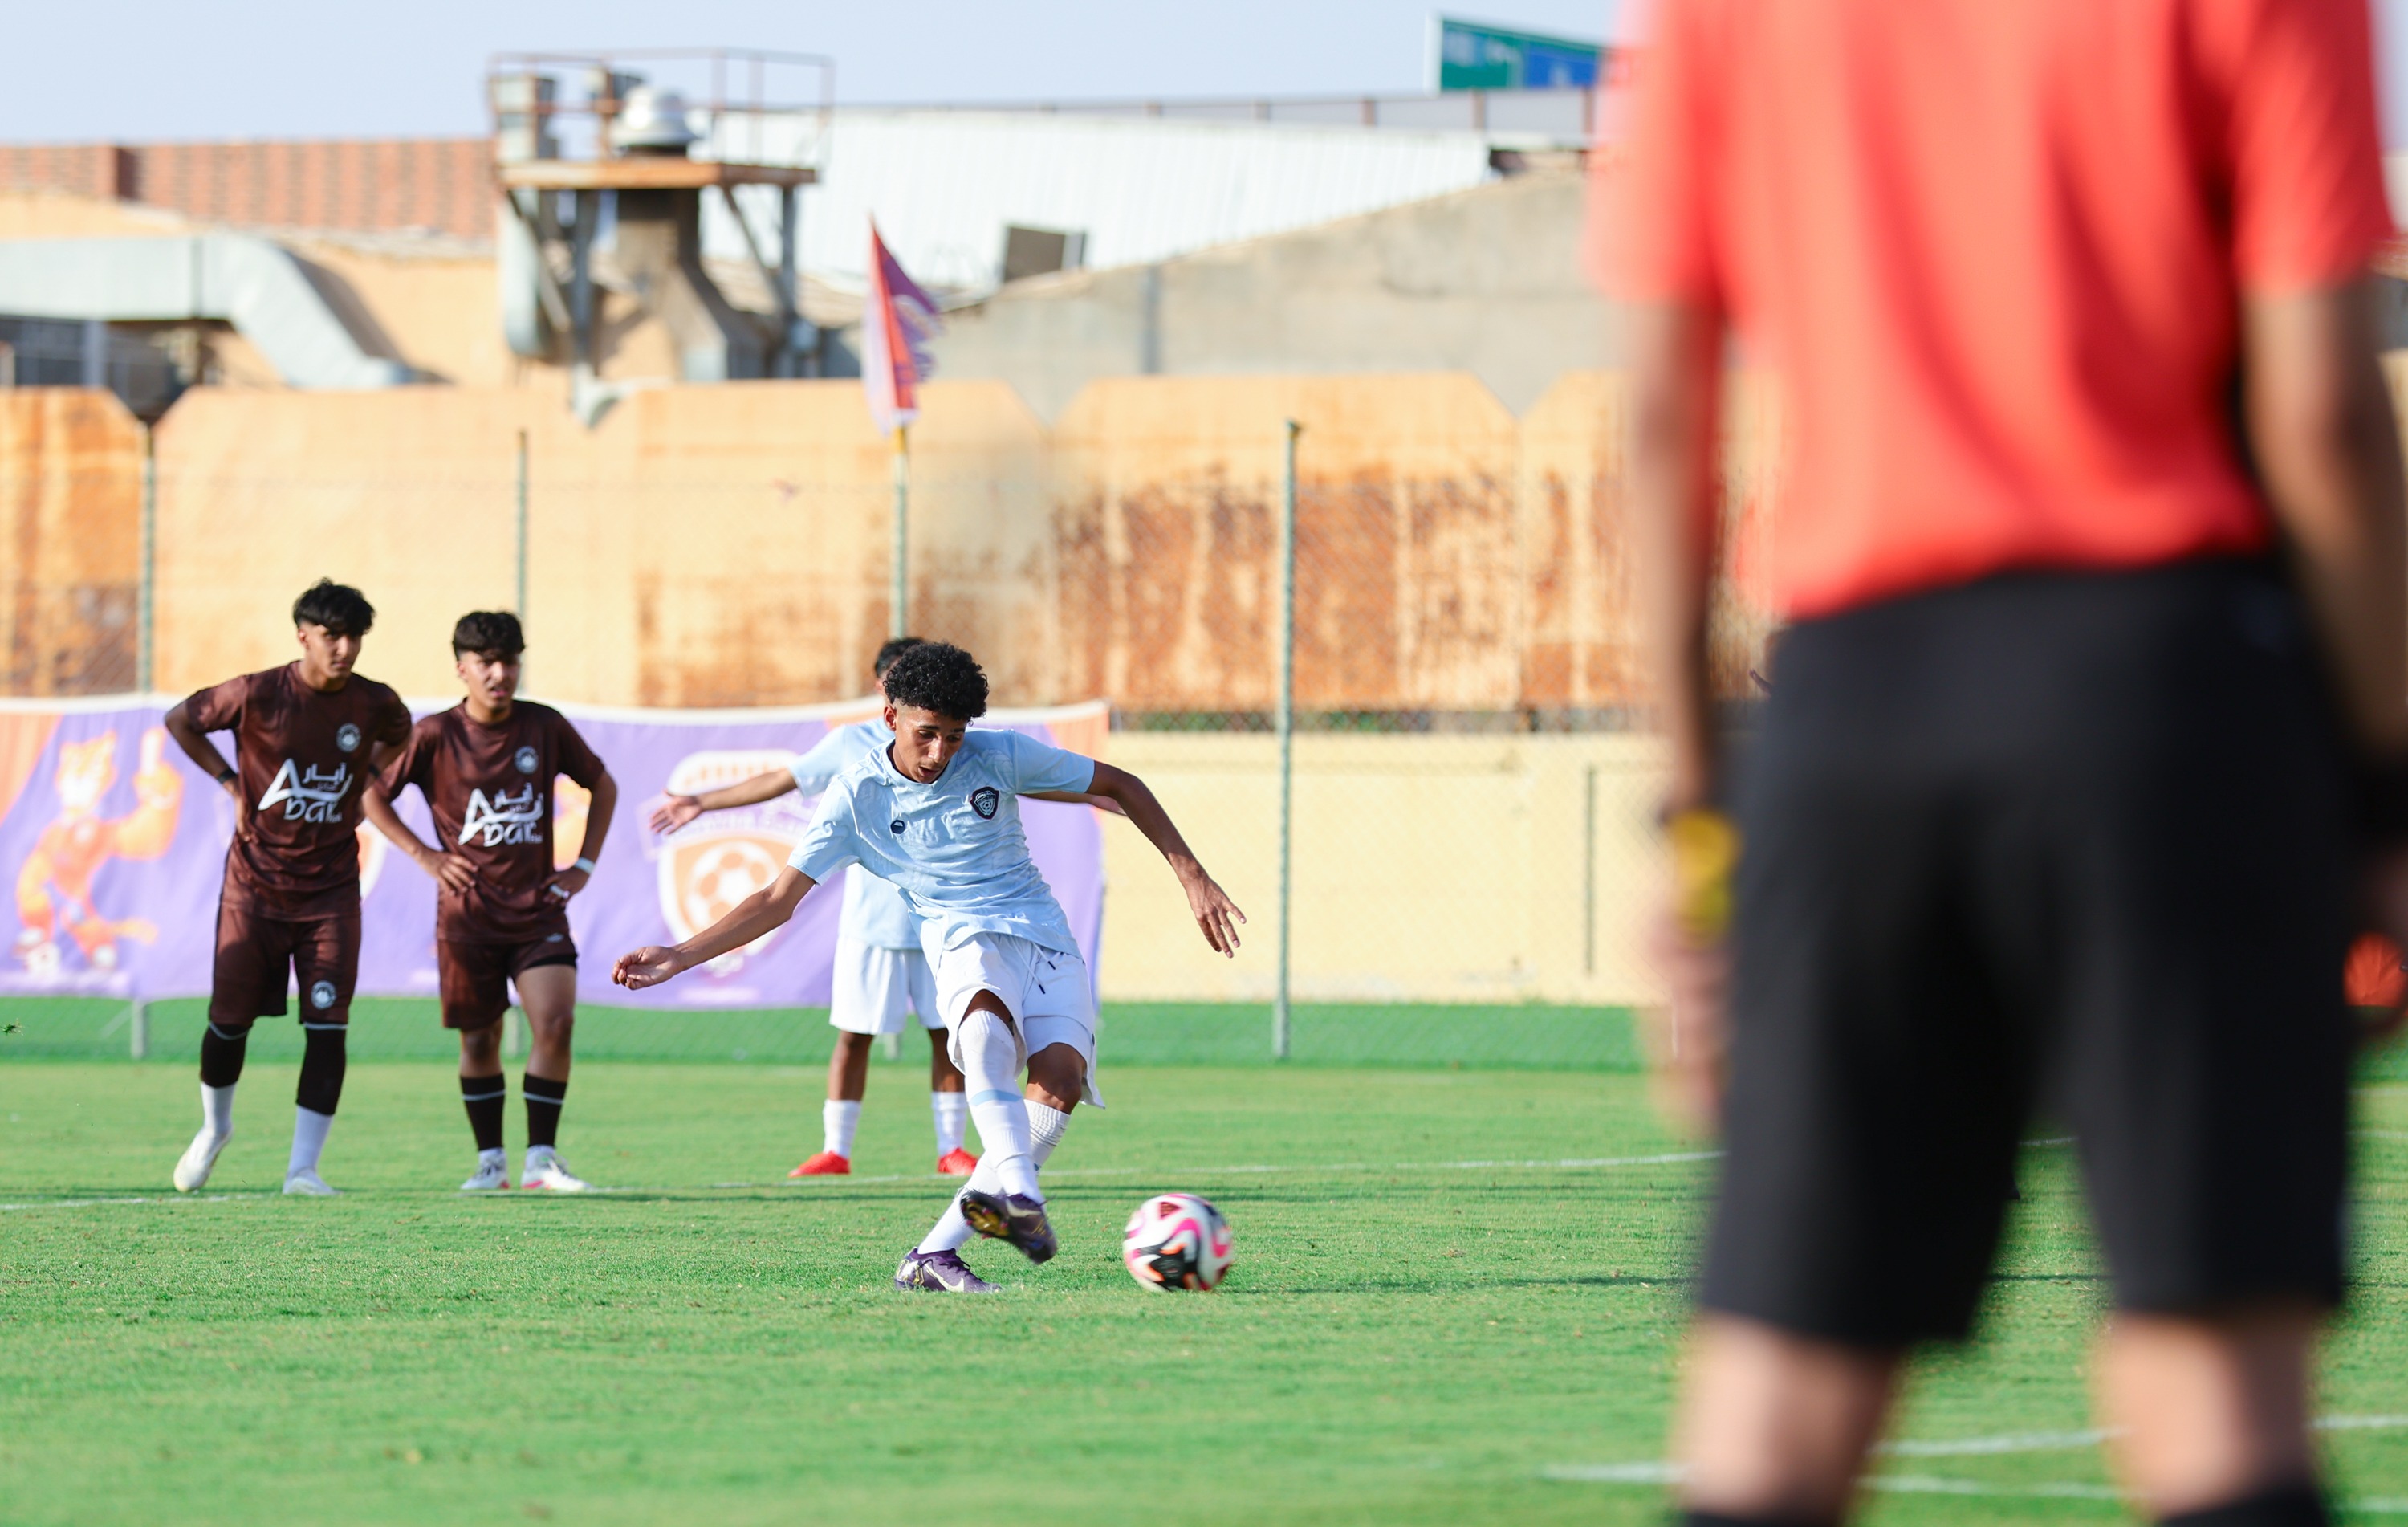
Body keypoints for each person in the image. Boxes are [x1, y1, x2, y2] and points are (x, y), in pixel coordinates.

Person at [1606, 1, 2408, 1524]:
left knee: (1778, 1402)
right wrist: (2381, 790)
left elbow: (1663, 422)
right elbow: (2323, 415)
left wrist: (1702, 825)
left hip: (1857, 703)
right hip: (2175, 695)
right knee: (2216, 1385)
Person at [612, 641, 1243, 1293]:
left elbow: (1120, 784)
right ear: (890, 718)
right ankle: (1022, 1195)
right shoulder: (855, 794)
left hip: (1043, 934)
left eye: (953, 736)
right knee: (985, 1035)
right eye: (926, 735)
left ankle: (933, 1256)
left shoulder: (997, 754)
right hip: (960, 937)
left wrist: (1192, 876)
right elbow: (776, 901)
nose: (940, 753)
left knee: (1058, 1081)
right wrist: (680, 955)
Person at [648, 637, 978, 1178]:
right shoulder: (852, 746)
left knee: (946, 1033)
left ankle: (952, 1148)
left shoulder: (950, 747)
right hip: (872, 923)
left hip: (940, 920)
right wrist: (702, 801)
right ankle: (836, 1150)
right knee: (854, 1033)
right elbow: (782, 780)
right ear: (884, 691)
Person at [163, 579, 413, 1196]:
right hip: (253, 889)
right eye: (333, 635)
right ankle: (215, 1129)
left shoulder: (373, 703)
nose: (345, 648)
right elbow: (181, 721)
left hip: (330, 894)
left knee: (328, 1025)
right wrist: (228, 782)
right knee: (229, 1022)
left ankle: (303, 1169)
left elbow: (402, 734)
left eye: (355, 637)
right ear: (303, 634)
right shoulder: (255, 693)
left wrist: (368, 783)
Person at [361, 611, 617, 1192]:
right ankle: (491, 1162)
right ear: (462, 669)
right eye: (486, 663)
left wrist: (582, 865)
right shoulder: (433, 734)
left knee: (555, 1022)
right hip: (467, 916)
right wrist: (426, 857)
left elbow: (603, 784)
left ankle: (542, 1159)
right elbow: (373, 798)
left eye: (510, 661)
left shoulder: (545, 727)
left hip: (537, 911)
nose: (500, 673)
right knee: (480, 1039)